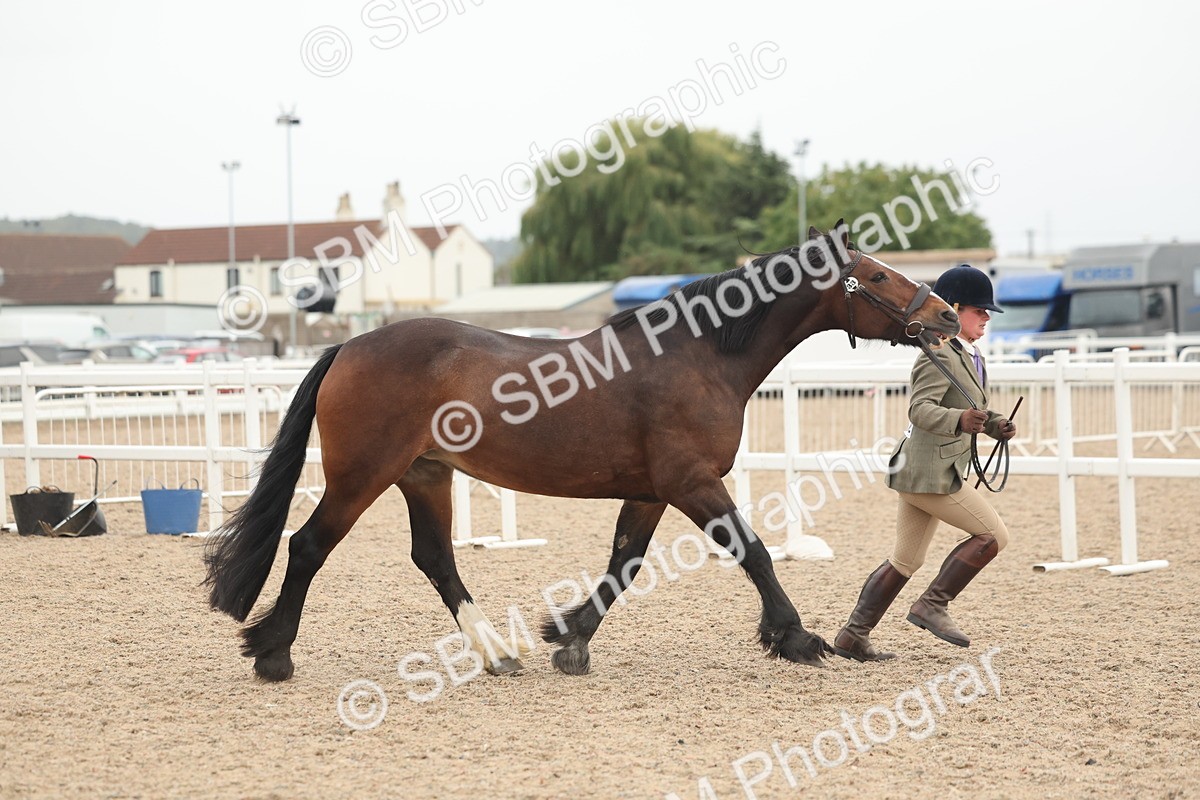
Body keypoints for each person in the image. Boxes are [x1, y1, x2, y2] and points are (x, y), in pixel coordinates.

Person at [834, 264, 1017, 662]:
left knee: (906, 559)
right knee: (993, 536)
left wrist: (995, 423)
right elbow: (920, 409)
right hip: (930, 472)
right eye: (979, 310)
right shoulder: (938, 354)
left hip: (924, 469)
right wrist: (959, 421)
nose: (986, 317)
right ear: (953, 308)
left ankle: (852, 636)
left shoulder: (969, 355)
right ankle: (932, 605)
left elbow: (972, 408)